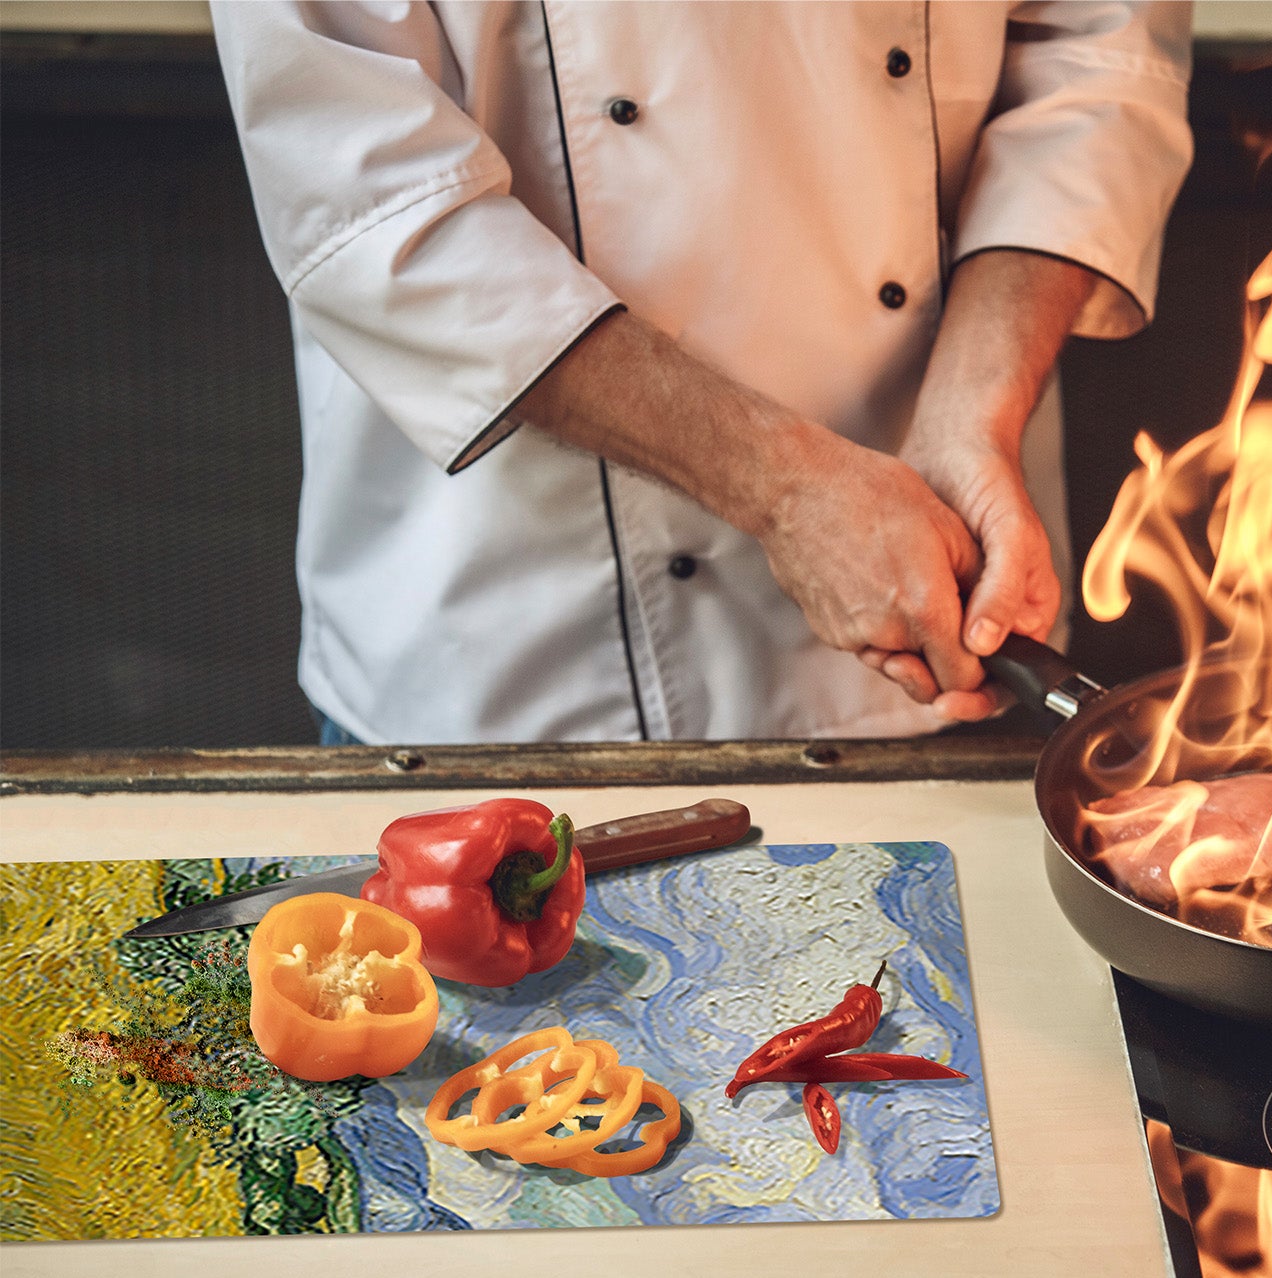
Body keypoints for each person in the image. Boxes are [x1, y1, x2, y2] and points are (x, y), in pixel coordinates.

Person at [210, 1, 1193, 743]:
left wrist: (973, 415)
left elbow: (1097, 61)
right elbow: (372, 198)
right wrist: (784, 490)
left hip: (949, 579)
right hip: (523, 649)